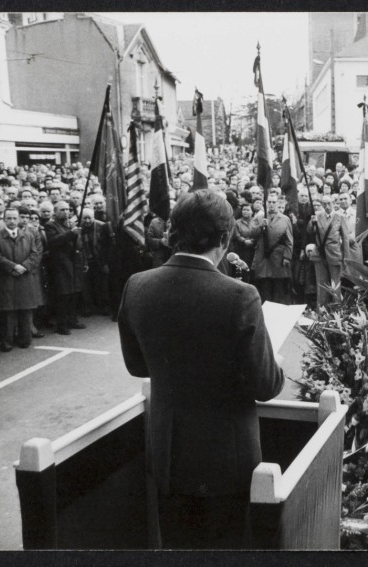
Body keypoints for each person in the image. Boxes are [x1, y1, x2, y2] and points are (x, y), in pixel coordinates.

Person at [118, 189, 284, 549]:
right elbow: (267, 385)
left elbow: (136, 365)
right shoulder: (240, 296)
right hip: (227, 461)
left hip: (169, 457)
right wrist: (276, 363)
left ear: (175, 231)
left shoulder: (137, 285)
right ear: (225, 238)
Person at [0, 208, 42, 351]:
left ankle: (25, 339)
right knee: (8, 313)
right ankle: (8, 341)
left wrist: (24, 267)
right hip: (6, 278)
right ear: (4, 219)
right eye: (9, 218)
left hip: (25, 277)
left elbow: (34, 254)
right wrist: (13, 267)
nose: (12, 221)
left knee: (26, 310)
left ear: (19, 219)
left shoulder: (28, 235)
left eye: (14, 218)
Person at [45, 201, 86, 334]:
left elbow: (79, 244)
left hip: (73, 263)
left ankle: (72, 320)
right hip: (60, 265)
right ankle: (61, 325)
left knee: (73, 293)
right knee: (63, 295)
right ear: (55, 212)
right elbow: (53, 241)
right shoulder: (50, 225)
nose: (66, 212)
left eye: (68, 209)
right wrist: (71, 234)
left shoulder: (69, 225)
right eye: (62, 210)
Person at [251, 193, 293, 304]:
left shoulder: (285, 219)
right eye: (269, 202)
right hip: (264, 258)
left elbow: (289, 241)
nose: (271, 204)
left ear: (278, 203)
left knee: (278, 289)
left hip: (278, 259)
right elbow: (251, 233)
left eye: (274, 202)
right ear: (266, 203)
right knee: (265, 288)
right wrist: (260, 226)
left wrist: (287, 257)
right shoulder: (260, 217)